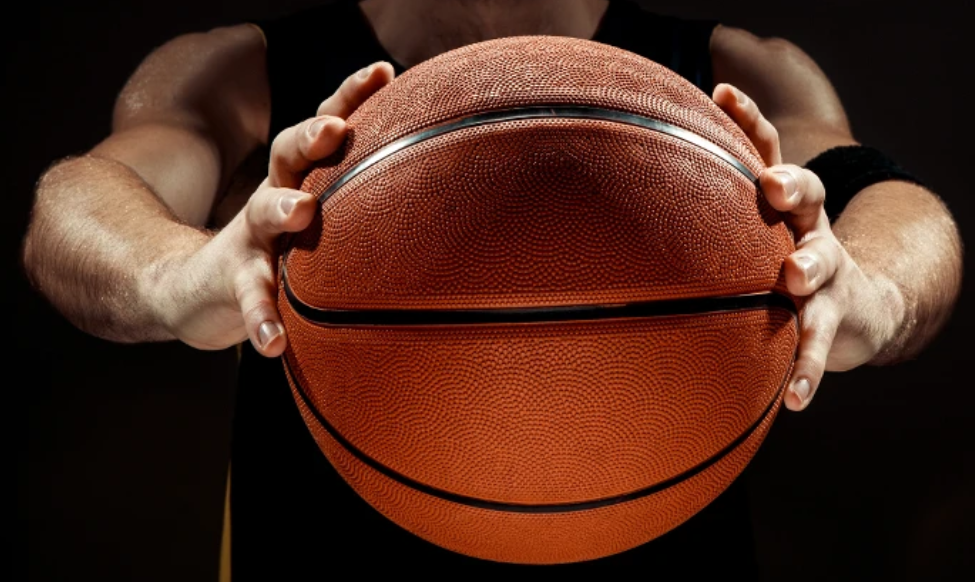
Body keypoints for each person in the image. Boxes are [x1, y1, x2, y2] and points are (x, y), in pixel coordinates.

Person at [20, 0, 962, 578]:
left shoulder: (731, 73)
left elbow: (894, 204)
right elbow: (77, 201)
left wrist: (869, 291)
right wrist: (180, 273)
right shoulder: (248, 72)